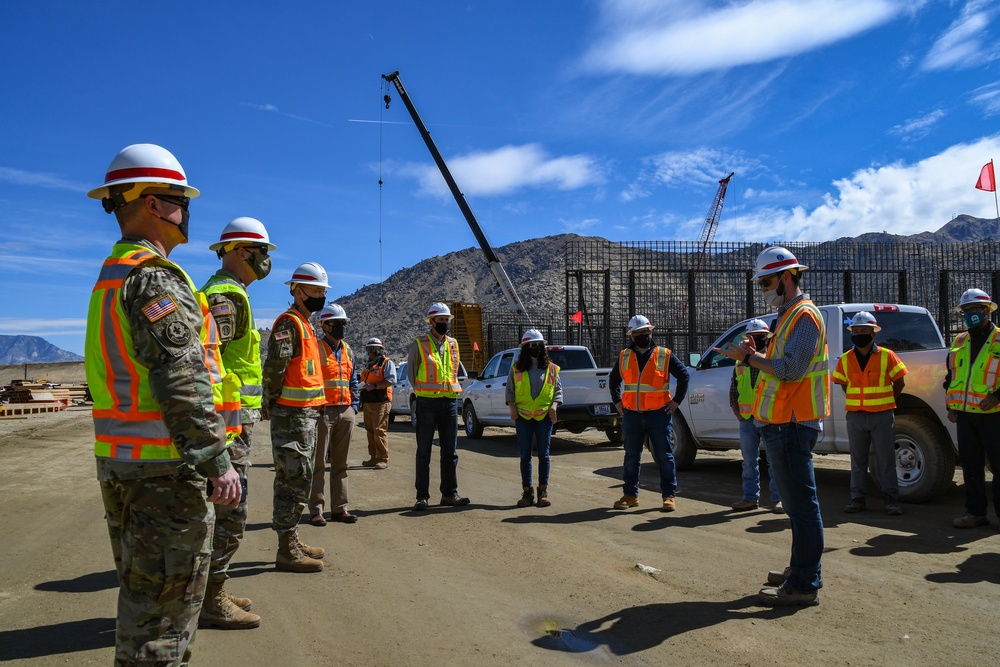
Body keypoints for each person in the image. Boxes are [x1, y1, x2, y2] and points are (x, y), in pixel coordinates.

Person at [86, 143, 242, 664]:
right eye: (179, 198)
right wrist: (215, 459)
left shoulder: (114, 274)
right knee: (164, 621)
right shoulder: (155, 277)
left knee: (143, 602)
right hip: (165, 475)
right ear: (152, 204)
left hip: (126, 465)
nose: (186, 210)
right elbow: (180, 381)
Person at [715, 246, 829, 607]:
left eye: (766, 280)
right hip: (783, 422)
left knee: (802, 505)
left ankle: (803, 584)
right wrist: (755, 356)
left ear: (787, 276)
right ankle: (800, 571)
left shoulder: (804, 316)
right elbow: (780, 365)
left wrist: (749, 357)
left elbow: (791, 371)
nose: (763, 287)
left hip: (793, 423)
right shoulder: (789, 316)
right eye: (760, 281)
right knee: (796, 506)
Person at [197, 217, 276, 630]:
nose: (266, 260)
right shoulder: (227, 297)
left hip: (232, 421)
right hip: (226, 426)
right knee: (230, 512)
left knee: (227, 510)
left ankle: (214, 589)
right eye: (263, 252)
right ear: (243, 252)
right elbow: (208, 364)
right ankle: (210, 599)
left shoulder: (230, 293)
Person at [262, 261, 331, 572]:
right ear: (297, 290)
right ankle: (286, 549)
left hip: (306, 416)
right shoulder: (289, 323)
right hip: (291, 417)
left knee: (300, 479)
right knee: (291, 482)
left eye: (322, 291)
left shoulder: (305, 324)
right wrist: (269, 401)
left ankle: (292, 537)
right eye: (315, 290)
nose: (320, 296)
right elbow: (275, 368)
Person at [609, 315, 690, 512]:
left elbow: (684, 375)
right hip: (632, 415)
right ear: (631, 336)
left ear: (650, 332)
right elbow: (613, 380)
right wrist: (618, 402)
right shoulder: (624, 356)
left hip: (658, 415)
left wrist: (676, 402)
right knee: (631, 456)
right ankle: (630, 495)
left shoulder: (664, 355)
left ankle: (669, 496)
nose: (641, 336)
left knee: (664, 456)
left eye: (644, 333)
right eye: (637, 334)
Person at [832, 311, 908, 516]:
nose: (858, 334)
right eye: (855, 331)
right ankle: (857, 499)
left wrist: (886, 401)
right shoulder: (845, 359)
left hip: (882, 415)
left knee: (885, 460)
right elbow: (844, 385)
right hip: (856, 416)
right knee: (858, 460)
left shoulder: (887, 355)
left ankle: (891, 500)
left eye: (863, 331)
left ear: (873, 333)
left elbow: (899, 382)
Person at [944, 288, 1000, 529]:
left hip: (994, 415)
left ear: (987, 311)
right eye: (966, 311)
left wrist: (997, 397)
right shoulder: (959, 341)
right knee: (971, 466)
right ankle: (975, 513)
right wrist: (951, 404)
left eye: (975, 309)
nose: (970, 314)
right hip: (965, 415)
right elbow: (951, 377)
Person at [407, 302, 470, 510]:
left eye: (446, 320)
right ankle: (422, 496)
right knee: (424, 451)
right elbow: (412, 374)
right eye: (441, 320)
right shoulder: (419, 344)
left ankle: (449, 494)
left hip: (449, 403)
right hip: (426, 403)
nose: (444, 323)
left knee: (450, 452)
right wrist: (424, 393)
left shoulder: (453, 344)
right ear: (431, 322)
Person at [308, 304, 360, 525]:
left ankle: (339, 508)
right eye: (336, 323)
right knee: (318, 463)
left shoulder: (348, 350)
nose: (340, 327)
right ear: (325, 326)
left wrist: (353, 408)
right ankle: (316, 510)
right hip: (322, 412)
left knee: (341, 464)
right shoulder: (315, 348)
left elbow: (353, 380)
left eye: (343, 323)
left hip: (345, 411)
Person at [729, 319, 782, 513]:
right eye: (753, 337)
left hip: (769, 418)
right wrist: (736, 409)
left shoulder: (772, 360)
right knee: (749, 461)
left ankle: (778, 499)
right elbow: (734, 387)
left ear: (767, 338)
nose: (756, 340)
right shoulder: (739, 363)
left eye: (760, 337)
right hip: (747, 419)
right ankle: (750, 498)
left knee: (774, 461)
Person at [505, 329, 563, 507]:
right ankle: (527, 492)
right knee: (525, 456)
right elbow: (510, 391)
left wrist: (554, 407)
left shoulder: (551, 368)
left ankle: (543, 492)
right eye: (533, 345)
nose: (536, 347)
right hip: (522, 418)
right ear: (525, 347)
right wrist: (512, 408)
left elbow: (558, 391)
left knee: (544, 456)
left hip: (543, 418)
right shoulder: (516, 368)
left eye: (539, 345)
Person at [359, 337, 396, 469]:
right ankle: (373, 458)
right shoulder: (369, 365)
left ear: (374, 350)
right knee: (370, 430)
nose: (367, 354)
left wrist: (374, 385)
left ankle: (383, 459)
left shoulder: (386, 363)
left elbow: (391, 380)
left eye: (369, 351)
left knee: (379, 430)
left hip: (381, 402)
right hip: (368, 402)